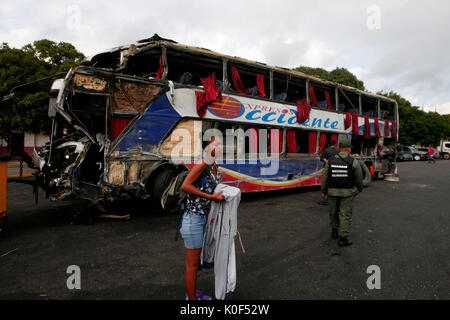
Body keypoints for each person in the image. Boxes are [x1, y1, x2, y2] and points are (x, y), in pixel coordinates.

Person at [179, 136, 224, 300]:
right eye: (216, 144)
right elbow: (186, 186)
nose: (220, 147)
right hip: (193, 220)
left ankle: (192, 293)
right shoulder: (203, 162)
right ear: (207, 146)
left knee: (196, 264)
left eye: (221, 144)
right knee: (192, 265)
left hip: (203, 220)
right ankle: (191, 300)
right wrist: (211, 197)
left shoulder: (213, 165)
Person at [321, 138, 363, 247]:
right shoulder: (353, 161)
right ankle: (343, 238)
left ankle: (334, 231)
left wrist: (324, 190)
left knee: (333, 212)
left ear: (340, 149)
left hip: (332, 192)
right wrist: (359, 189)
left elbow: (325, 177)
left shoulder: (330, 161)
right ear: (348, 149)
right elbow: (359, 178)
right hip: (348, 193)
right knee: (345, 214)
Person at [317, 140, 340, 205]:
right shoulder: (338, 150)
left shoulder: (326, 150)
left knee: (326, 183)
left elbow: (323, 158)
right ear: (335, 144)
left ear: (328, 144)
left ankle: (325, 199)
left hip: (328, 169)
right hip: (336, 168)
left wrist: (328, 163)